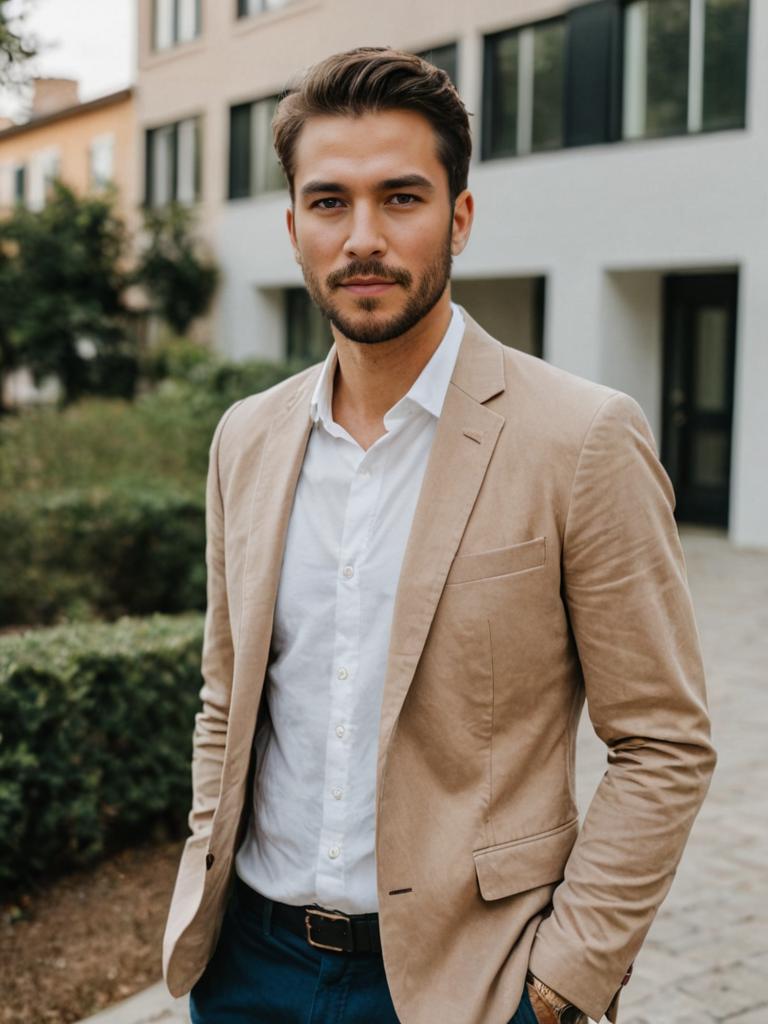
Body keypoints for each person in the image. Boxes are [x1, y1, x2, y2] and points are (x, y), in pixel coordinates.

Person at [162, 47, 716, 1024]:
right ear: (294, 226)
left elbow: (663, 740)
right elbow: (226, 694)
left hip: (469, 980)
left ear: (459, 217)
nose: (362, 237)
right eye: (330, 202)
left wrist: (560, 983)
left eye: (401, 198)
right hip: (247, 970)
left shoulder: (581, 437)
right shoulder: (245, 437)